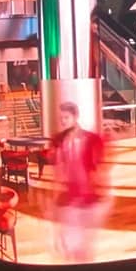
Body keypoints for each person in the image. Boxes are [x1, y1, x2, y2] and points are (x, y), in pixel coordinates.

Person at [51, 101, 108, 262]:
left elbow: (100, 169)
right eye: (60, 118)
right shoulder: (59, 141)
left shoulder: (92, 139)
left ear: (75, 117)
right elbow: (59, 171)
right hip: (70, 198)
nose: (62, 121)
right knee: (69, 246)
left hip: (88, 198)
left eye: (66, 117)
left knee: (85, 247)